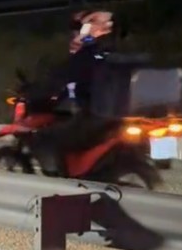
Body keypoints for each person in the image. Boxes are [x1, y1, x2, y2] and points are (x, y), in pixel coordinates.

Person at [30, 10, 142, 175]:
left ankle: (62, 179)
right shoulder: (116, 54)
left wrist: (40, 91)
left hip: (96, 117)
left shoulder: (87, 54)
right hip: (120, 116)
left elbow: (63, 78)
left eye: (81, 29)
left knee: (47, 136)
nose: (77, 34)